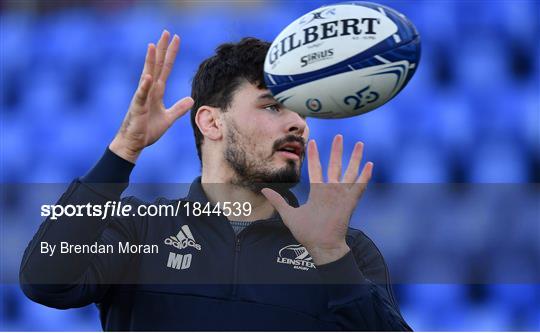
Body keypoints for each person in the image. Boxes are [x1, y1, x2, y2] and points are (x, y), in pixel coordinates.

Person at [20, 31, 411, 331]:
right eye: (272, 106)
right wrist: (124, 149)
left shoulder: (346, 250)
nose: (298, 123)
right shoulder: (140, 230)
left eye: (299, 112)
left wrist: (330, 255)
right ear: (211, 122)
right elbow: (45, 282)